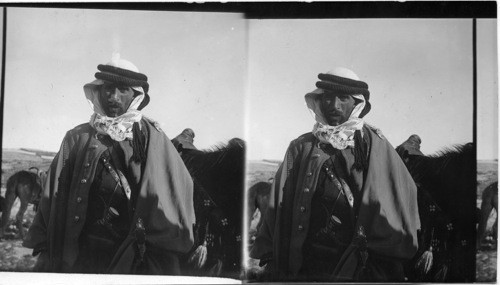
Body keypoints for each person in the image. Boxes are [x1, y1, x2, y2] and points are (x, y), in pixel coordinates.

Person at [23, 55, 195, 275]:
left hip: (129, 255)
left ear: (136, 95)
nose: (114, 97)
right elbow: (53, 192)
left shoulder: (150, 137)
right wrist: (43, 239)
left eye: (123, 90)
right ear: (98, 92)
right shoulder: (78, 137)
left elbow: (175, 191)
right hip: (81, 251)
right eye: (109, 89)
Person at [250, 67, 420, 282]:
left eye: (343, 98)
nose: (334, 105)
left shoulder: (373, 144)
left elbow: (400, 197)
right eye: (328, 98)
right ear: (318, 102)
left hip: (354, 262)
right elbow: (278, 202)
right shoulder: (301, 146)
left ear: (357, 103)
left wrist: (380, 252)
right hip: (305, 257)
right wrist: (268, 251)